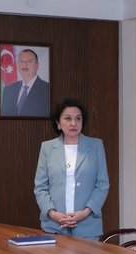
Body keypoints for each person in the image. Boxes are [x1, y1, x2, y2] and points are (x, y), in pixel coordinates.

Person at [34, 98, 109, 240]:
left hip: (87, 226)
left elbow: (102, 185)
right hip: (54, 227)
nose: (73, 123)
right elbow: (40, 187)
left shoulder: (95, 146)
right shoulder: (47, 148)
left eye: (78, 118)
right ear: (58, 122)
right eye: (68, 118)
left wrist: (85, 213)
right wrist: (53, 214)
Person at [1, 49, 50, 116]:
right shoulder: (8, 90)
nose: (24, 65)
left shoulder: (47, 89)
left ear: (37, 65)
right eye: (21, 61)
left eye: (29, 61)